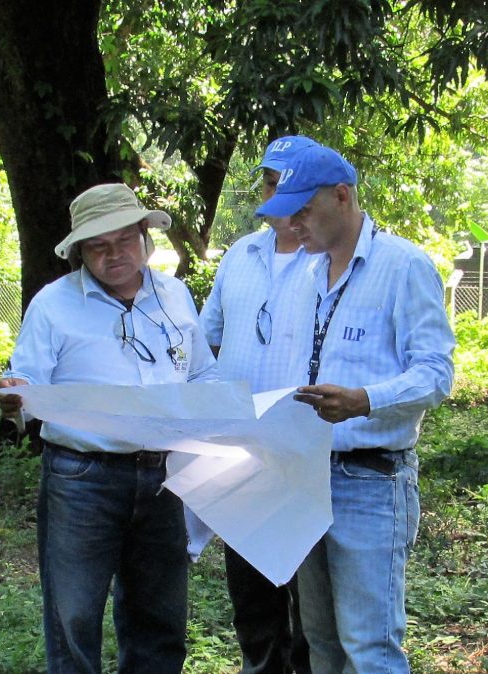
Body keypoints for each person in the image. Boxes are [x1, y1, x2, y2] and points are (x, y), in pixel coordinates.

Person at [0, 182, 217, 674]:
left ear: (145, 236)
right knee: (74, 618)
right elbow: (27, 382)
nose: (113, 254)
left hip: (164, 476)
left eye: (124, 240)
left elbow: (202, 375)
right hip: (82, 478)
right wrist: (16, 397)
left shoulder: (175, 296)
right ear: (79, 252)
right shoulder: (54, 304)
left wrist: (235, 417)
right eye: (98, 245)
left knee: (160, 618)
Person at [255, 144, 455, 674]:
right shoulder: (301, 273)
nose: (293, 224)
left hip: (370, 479)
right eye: (286, 212)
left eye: (302, 211)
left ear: (341, 196)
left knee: (369, 647)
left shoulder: (404, 266)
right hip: (304, 476)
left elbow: (436, 374)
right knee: (321, 643)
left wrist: (365, 400)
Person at [199, 135, 317, 674]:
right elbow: (206, 340)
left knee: (308, 597)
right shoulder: (241, 255)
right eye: (267, 181)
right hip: (241, 450)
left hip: (307, 449)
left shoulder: (330, 261)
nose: (270, 191)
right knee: (252, 594)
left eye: (280, 182)